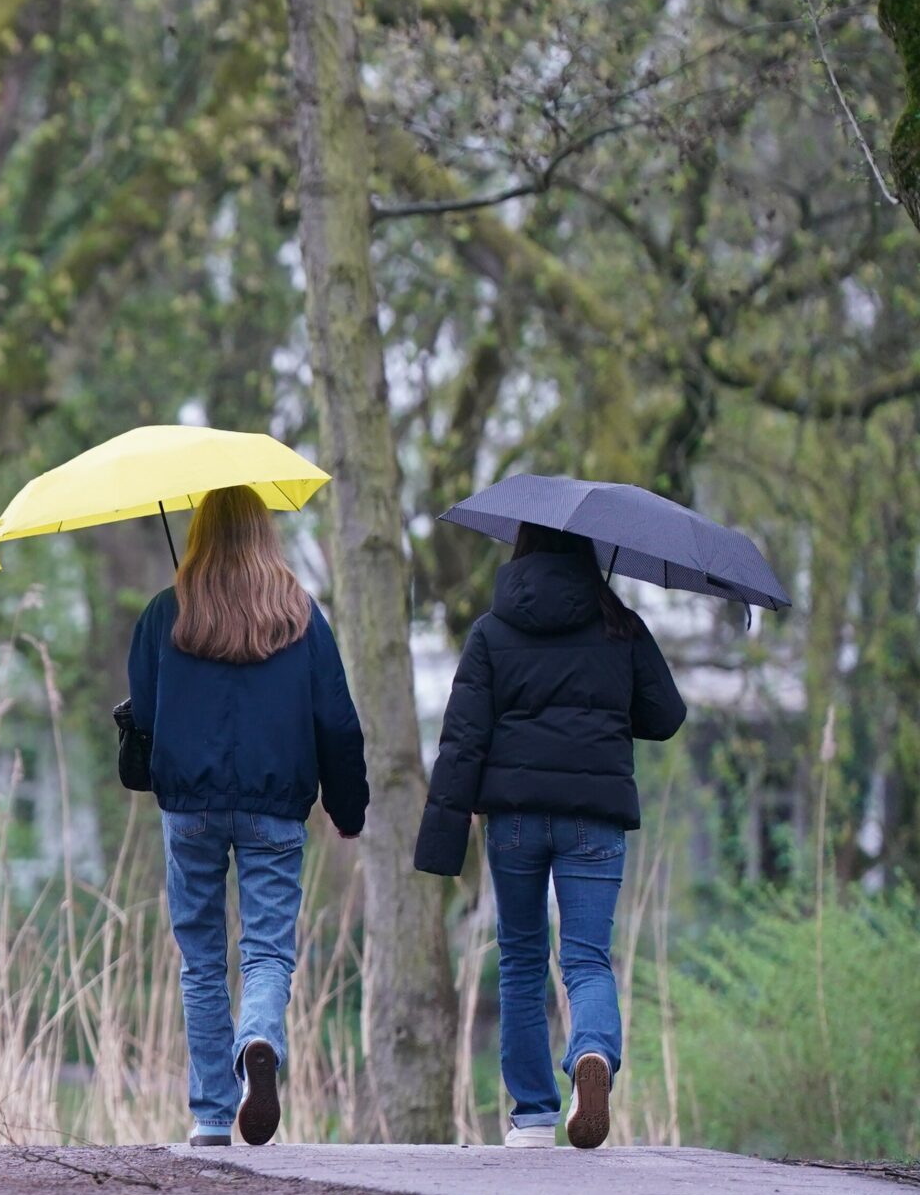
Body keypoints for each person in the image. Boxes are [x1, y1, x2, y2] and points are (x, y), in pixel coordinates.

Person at [414, 522, 687, 1150]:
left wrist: (442, 837)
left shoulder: (491, 631)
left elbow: (463, 739)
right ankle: (591, 1053)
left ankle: (534, 1117)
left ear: (523, 549)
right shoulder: (620, 626)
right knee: (587, 958)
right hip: (595, 815)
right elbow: (666, 715)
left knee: (520, 960)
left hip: (514, 818)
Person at [126, 485, 369, 1149]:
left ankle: (212, 1114)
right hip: (275, 809)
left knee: (201, 959)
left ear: (200, 534)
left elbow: (142, 715)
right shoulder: (300, 617)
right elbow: (338, 723)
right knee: (267, 950)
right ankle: (257, 1039)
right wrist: (347, 809)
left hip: (191, 810)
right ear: (264, 534)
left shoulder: (165, 613)